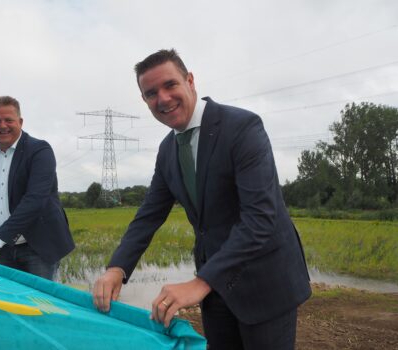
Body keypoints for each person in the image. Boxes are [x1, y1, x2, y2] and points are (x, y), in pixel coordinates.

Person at [93, 50, 311, 349]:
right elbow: (149, 214)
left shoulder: (243, 128)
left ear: (190, 80)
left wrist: (200, 282)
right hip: (216, 289)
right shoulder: (168, 150)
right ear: (145, 101)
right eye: (151, 93)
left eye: (170, 85)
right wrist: (117, 268)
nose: (163, 98)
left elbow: (260, 218)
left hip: (265, 283)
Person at [0, 96, 74, 280]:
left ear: (20, 121)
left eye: (8, 120)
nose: (3, 126)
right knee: (8, 301)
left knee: (40, 303)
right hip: (5, 247)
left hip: (39, 247)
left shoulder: (40, 150)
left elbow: (35, 200)